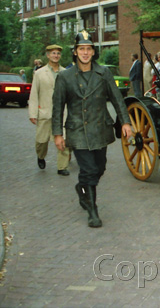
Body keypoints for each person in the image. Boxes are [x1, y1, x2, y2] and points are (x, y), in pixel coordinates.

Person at [52, 31, 133, 228]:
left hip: (100, 128)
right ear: (75, 52)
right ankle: (93, 211)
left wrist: (125, 122)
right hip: (78, 130)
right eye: (81, 49)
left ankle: (82, 188)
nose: (85, 53)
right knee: (88, 169)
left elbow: (116, 98)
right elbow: (57, 106)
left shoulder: (104, 73)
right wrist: (57, 134)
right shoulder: (64, 77)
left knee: (100, 167)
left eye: (88, 49)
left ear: (93, 52)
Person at [28, 44, 72, 175]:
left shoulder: (66, 73)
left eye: (58, 53)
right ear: (48, 55)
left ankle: (62, 167)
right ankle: (40, 156)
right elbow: (34, 94)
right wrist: (32, 113)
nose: (56, 55)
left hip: (62, 114)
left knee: (63, 140)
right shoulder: (39, 73)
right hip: (45, 113)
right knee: (41, 141)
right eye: (53, 53)